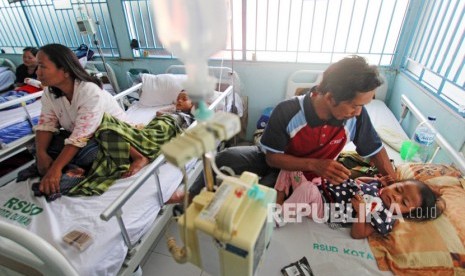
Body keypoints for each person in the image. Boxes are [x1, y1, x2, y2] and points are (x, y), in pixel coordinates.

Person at [189, 55, 396, 198]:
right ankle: (189, 197)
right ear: (331, 98)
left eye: (362, 106)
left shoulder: (357, 117)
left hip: (309, 176)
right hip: (278, 162)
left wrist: (394, 183)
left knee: (259, 201)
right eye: (354, 105)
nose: (359, 112)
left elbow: (375, 150)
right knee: (224, 158)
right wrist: (315, 164)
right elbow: (272, 158)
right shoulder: (287, 111)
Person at [30, 43, 151, 196]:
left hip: (113, 141)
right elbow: (46, 124)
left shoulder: (89, 91)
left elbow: (80, 136)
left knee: (88, 154)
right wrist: (41, 155)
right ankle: (74, 168)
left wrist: (55, 169)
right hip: (83, 139)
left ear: (65, 70)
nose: (37, 72)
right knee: (39, 145)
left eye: (42, 66)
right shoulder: (50, 92)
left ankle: (136, 158)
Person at [274, 171, 444, 238]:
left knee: (308, 189)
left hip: (325, 208)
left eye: (404, 202)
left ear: (406, 212)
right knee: (291, 169)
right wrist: (375, 180)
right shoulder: (378, 188)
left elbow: (358, 234)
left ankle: (279, 216)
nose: (395, 197)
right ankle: (281, 204)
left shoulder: (385, 216)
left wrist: (362, 212)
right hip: (321, 191)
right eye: (398, 189)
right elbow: (357, 181)